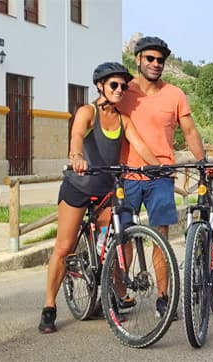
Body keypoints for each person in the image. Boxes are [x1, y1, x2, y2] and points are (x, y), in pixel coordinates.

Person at [39, 62, 160, 333]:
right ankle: (49, 306)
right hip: (78, 188)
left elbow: (140, 145)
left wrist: (159, 169)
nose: (119, 90)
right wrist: (77, 156)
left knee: (121, 239)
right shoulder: (87, 111)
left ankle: (114, 292)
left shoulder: (122, 119)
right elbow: (77, 134)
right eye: (114, 85)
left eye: (123, 86)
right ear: (100, 86)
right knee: (64, 247)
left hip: (106, 191)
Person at [116, 36, 207, 319]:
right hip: (128, 174)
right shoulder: (122, 90)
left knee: (161, 236)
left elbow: (190, 132)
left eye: (160, 60)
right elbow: (101, 118)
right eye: (150, 58)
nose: (156, 64)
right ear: (138, 59)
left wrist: (203, 163)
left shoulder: (175, 95)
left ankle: (163, 298)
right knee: (124, 237)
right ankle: (120, 296)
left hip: (161, 176)